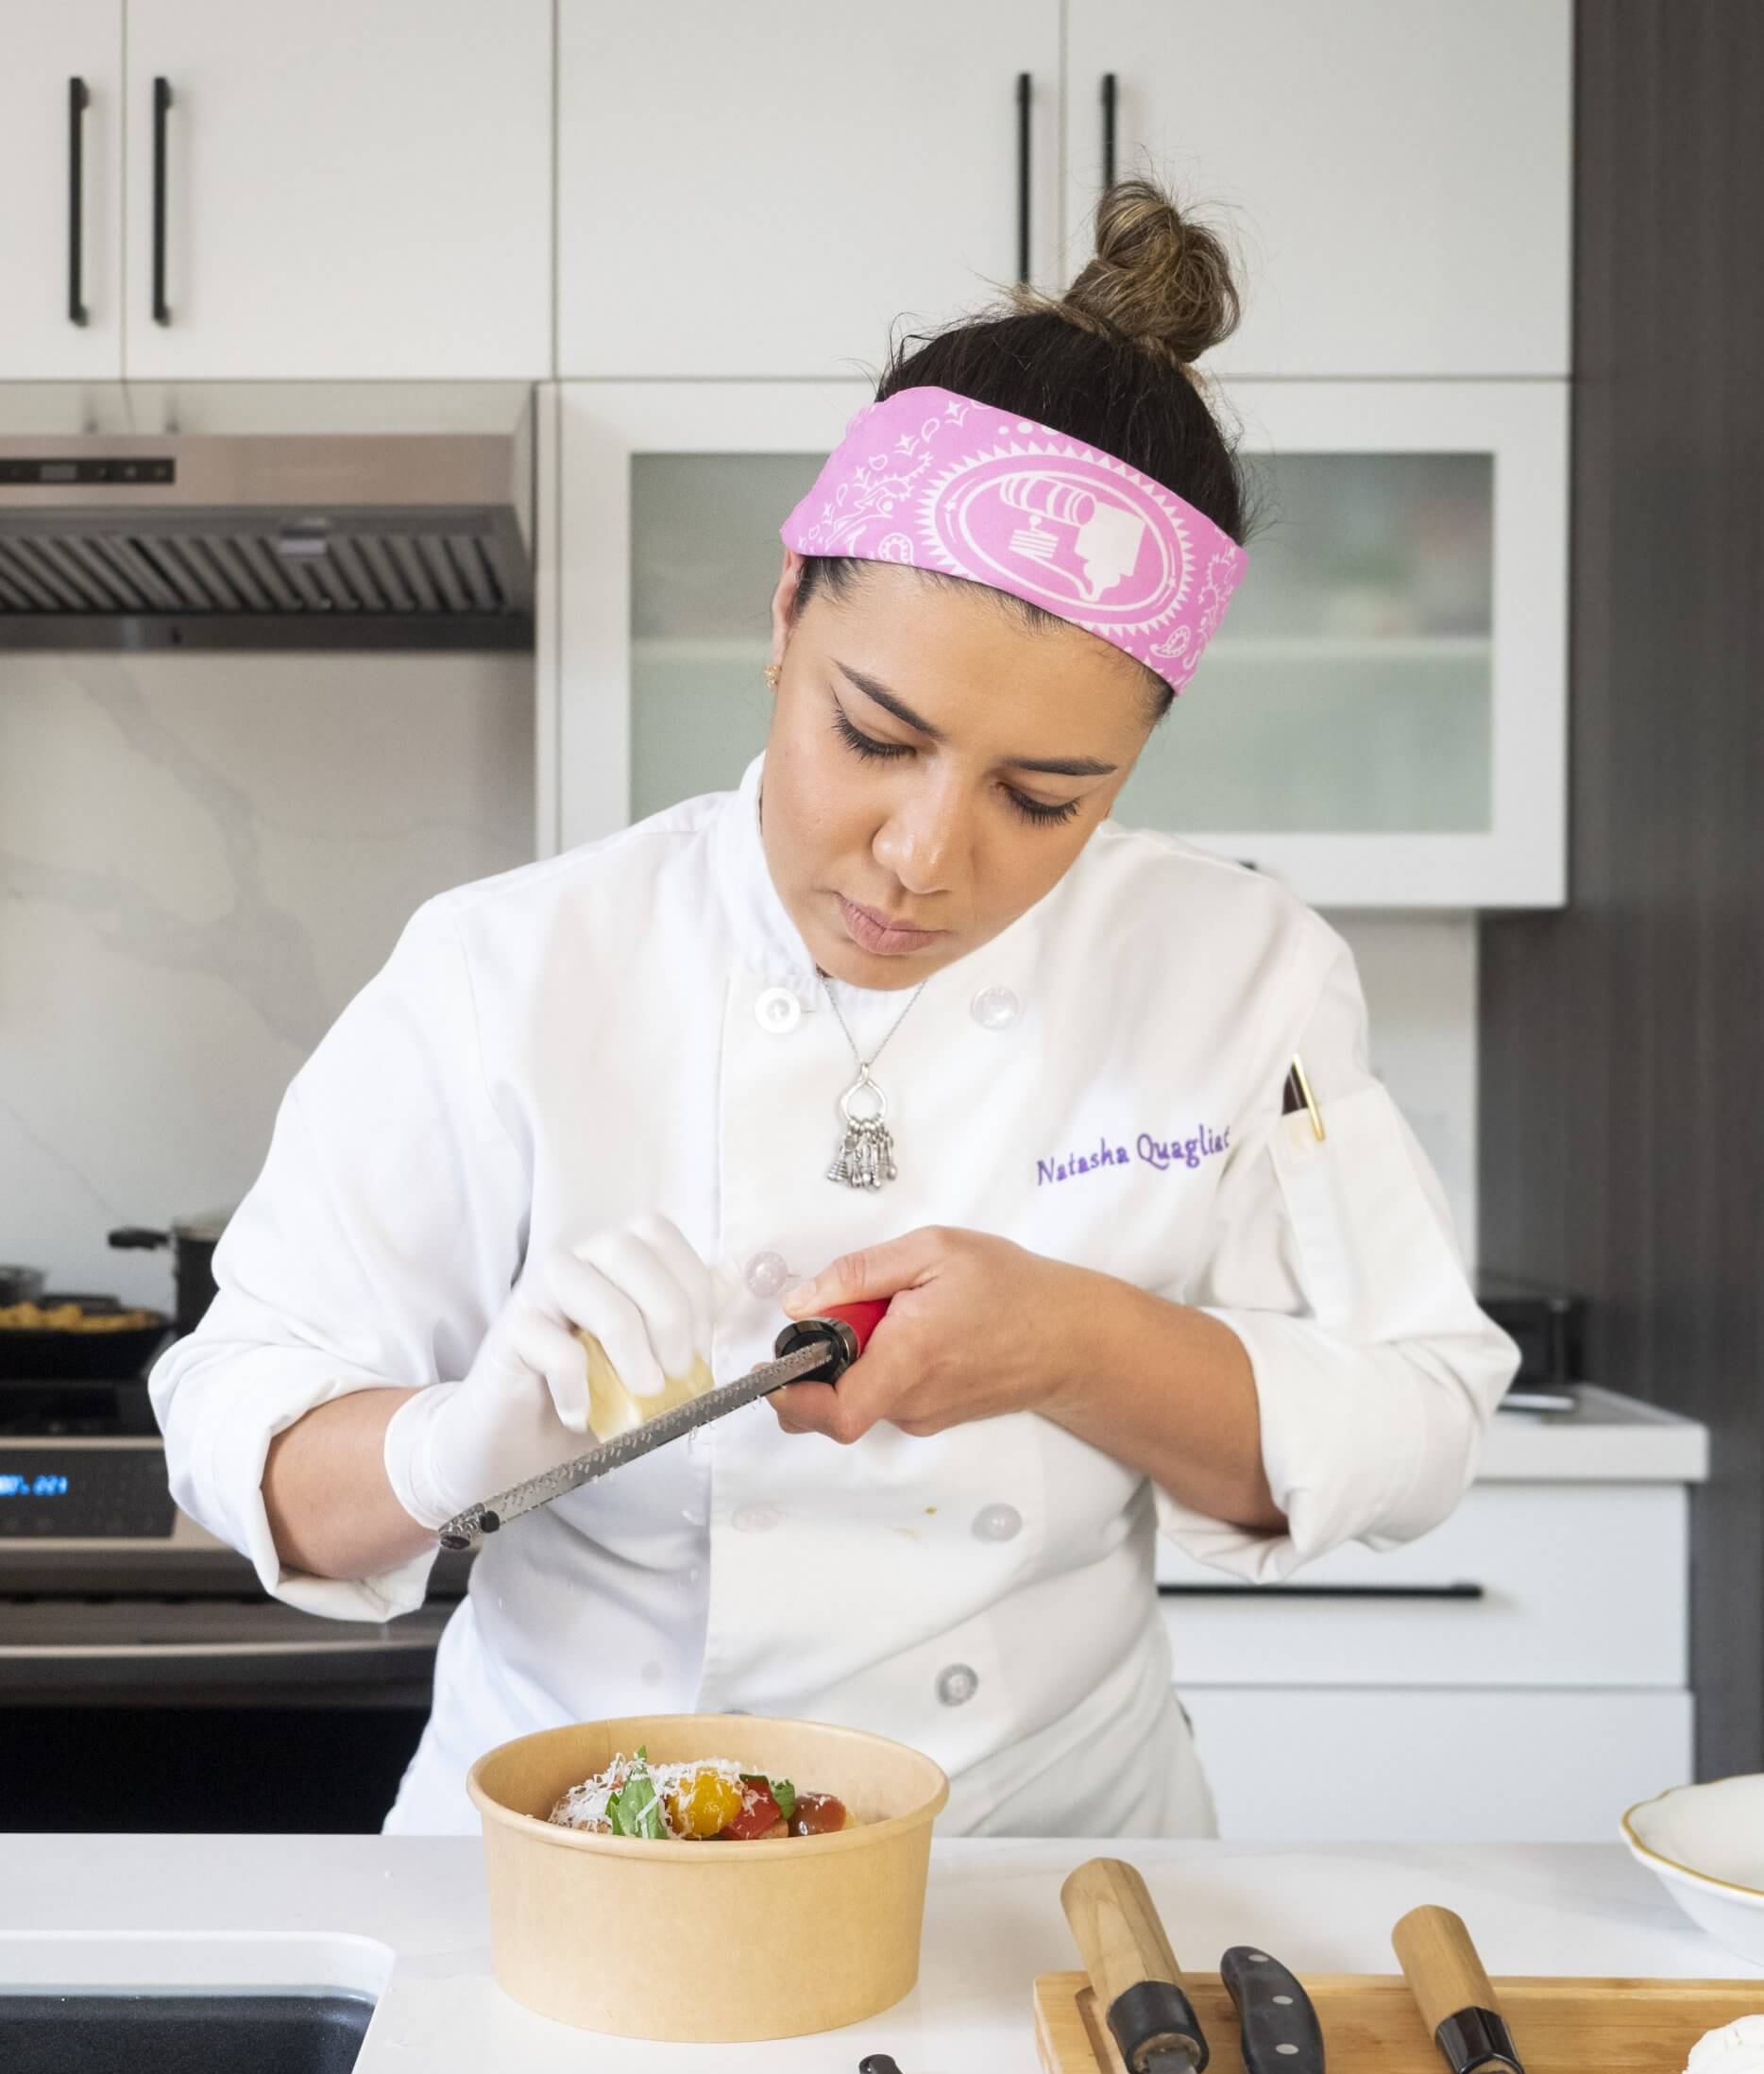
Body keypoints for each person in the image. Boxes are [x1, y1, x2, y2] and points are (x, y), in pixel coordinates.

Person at [151, 182, 1518, 1836]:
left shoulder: (1239, 971)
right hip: (576, 1858)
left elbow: (1417, 1423)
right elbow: (241, 1440)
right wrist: (450, 1449)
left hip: (1041, 1869)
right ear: (788, 608)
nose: (925, 857)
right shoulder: (510, 968)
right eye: (875, 737)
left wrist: (1070, 1341)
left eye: (1046, 796)